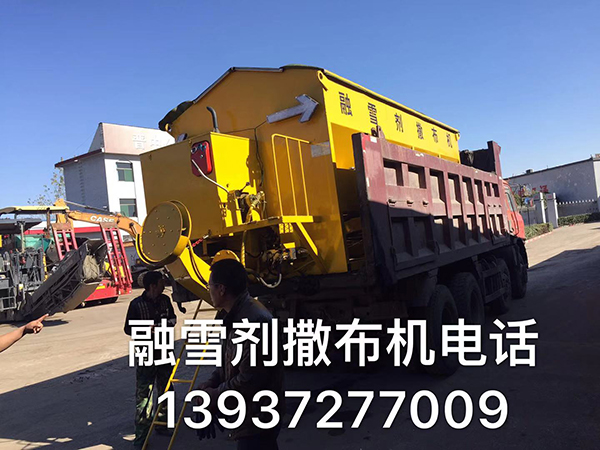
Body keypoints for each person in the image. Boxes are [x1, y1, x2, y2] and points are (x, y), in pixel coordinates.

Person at [198, 259, 284, 450]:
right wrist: (212, 382)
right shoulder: (234, 315)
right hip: (249, 416)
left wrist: (215, 395)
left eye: (209, 286)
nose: (208, 290)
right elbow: (231, 360)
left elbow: (251, 378)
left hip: (258, 417)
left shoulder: (253, 321)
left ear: (221, 289)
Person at [124, 270, 177, 449]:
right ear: (152, 286)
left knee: (167, 390)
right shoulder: (136, 305)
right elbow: (128, 329)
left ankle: (162, 424)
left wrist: (163, 325)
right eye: (161, 283)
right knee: (144, 397)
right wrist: (147, 328)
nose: (164, 286)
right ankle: (141, 437)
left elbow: (173, 319)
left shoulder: (165, 301)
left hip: (164, 352)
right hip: (146, 354)